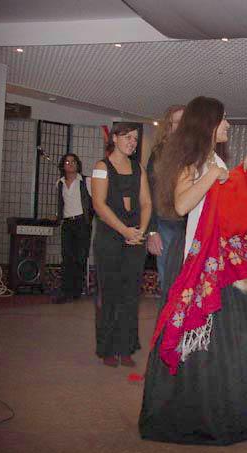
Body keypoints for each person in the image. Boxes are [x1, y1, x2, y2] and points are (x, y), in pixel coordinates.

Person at [139, 96, 247, 445]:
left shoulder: (215, 160)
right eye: (223, 119)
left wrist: (245, 172)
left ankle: (236, 407)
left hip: (222, 262)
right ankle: (200, 413)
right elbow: (182, 204)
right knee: (204, 338)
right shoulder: (192, 160)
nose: (227, 125)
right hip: (200, 259)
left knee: (230, 339)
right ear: (208, 124)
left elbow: (226, 200)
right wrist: (212, 175)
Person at [92, 123, 152, 368]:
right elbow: (99, 205)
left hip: (134, 237)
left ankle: (126, 348)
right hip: (110, 237)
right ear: (114, 138)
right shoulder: (101, 167)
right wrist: (124, 230)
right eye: (127, 137)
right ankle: (108, 348)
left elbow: (146, 203)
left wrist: (140, 231)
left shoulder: (139, 168)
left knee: (130, 295)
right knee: (110, 294)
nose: (132, 142)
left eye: (135, 139)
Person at [146, 105, 185, 303]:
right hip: (165, 223)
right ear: (168, 126)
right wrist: (152, 231)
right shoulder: (158, 154)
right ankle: (169, 320)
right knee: (169, 283)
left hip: (190, 223)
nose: (181, 126)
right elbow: (148, 193)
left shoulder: (195, 152)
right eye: (176, 122)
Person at [53, 153, 93, 304]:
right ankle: (66, 291)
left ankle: (76, 290)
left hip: (82, 223)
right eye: (67, 162)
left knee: (80, 257)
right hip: (67, 224)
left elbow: (95, 201)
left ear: (78, 164)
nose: (70, 164)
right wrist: (57, 218)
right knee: (67, 257)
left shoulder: (86, 181)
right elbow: (61, 204)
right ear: (63, 166)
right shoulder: (60, 183)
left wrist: (92, 219)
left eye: (73, 161)